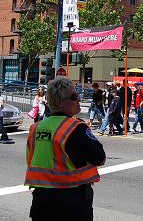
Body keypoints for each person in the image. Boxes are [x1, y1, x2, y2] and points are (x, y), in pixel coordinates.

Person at [25, 77, 106, 221]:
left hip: (41, 200)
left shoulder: (35, 128)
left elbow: (31, 159)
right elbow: (100, 157)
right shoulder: (75, 127)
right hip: (71, 202)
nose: (78, 100)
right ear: (60, 102)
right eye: (74, 97)